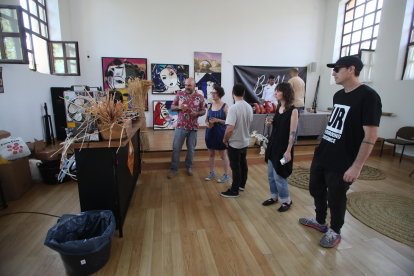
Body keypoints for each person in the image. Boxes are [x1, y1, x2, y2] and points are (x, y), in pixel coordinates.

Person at [299, 56, 382, 248]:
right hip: (325, 153)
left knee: (336, 197)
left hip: (343, 158)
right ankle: (320, 221)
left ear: (351, 69)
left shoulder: (369, 96)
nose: (333, 73)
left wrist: (357, 166)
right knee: (315, 189)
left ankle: (335, 230)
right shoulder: (339, 95)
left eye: (337, 69)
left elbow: (371, 135)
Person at [262, 83, 298, 212]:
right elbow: (279, 124)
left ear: (286, 93)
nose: (275, 93)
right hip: (273, 146)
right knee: (271, 174)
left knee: (279, 175)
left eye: (278, 91)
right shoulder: (279, 107)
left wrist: (288, 152)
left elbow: (292, 133)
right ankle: (274, 197)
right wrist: (271, 122)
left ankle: (286, 200)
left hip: (284, 149)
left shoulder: (293, 110)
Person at [167, 78, 206, 179]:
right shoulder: (179, 94)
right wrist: (179, 107)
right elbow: (172, 107)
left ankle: (189, 167)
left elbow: (203, 111)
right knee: (176, 149)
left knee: (191, 150)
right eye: (186, 85)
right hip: (180, 126)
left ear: (194, 85)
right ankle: (174, 168)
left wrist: (197, 113)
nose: (187, 87)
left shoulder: (200, 97)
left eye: (189, 85)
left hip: (193, 127)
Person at [221, 83, 253, 198]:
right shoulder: (249, 106)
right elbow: (249, 123)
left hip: (235, 142)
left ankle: (234, 190)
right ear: (244, 93)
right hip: (244, 141)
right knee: (243, 164)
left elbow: (230, 129)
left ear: (232, 93)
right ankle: (241, 184)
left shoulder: (233, 108)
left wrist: (225, 140)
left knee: (235, 167)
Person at [204, 85, 230, 182]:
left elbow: (228, 122)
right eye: (212, 93)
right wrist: (207, 123)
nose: (213, 95)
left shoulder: (225, 106)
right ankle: (212, 172)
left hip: (220, 133)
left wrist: (218, 120)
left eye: (214, 93)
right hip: (210, 132)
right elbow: (206, 118)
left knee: (223, 155)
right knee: (211, 154)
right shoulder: (210, 105)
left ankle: (226, 174)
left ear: (219, 94)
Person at [288, 68, 306, 143]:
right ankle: (294, 139)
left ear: (291, 72)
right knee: (297, 121)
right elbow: (304, 94)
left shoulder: (291, 80)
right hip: (301, 103)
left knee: (292, 122)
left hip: (294, 103)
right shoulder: (302, 81)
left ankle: (292, 140)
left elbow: (289, 92)